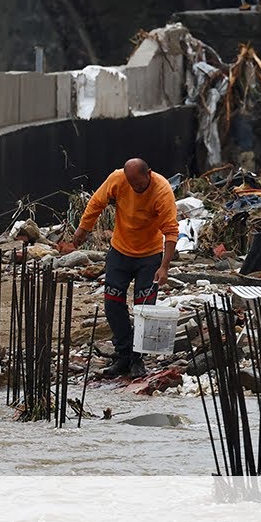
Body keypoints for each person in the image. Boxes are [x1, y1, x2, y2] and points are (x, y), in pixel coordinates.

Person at [70, 158, 178, 377]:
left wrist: (164, 266)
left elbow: (171, 232)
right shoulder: (118, 179)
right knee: (112, 303)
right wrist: (83, 229)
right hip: (120, 251)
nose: (136, 188)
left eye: (139, 184)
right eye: (132, 184)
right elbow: (97, 202)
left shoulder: (162, 191)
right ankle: (123, 354)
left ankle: (138, 359)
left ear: (149, 173)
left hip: (149, 255)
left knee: (144, 309)